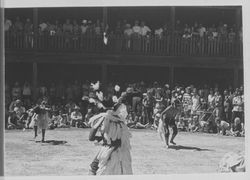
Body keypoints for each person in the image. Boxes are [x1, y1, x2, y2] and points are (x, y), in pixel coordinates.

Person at [88, 101, 132, 175]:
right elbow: (116, 136)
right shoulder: (121, 121)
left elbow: (91, 137)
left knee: (93, 168)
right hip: (123, 151)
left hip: (108, 150)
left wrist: (100, 137)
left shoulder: (104, 119)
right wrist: (102, 138)